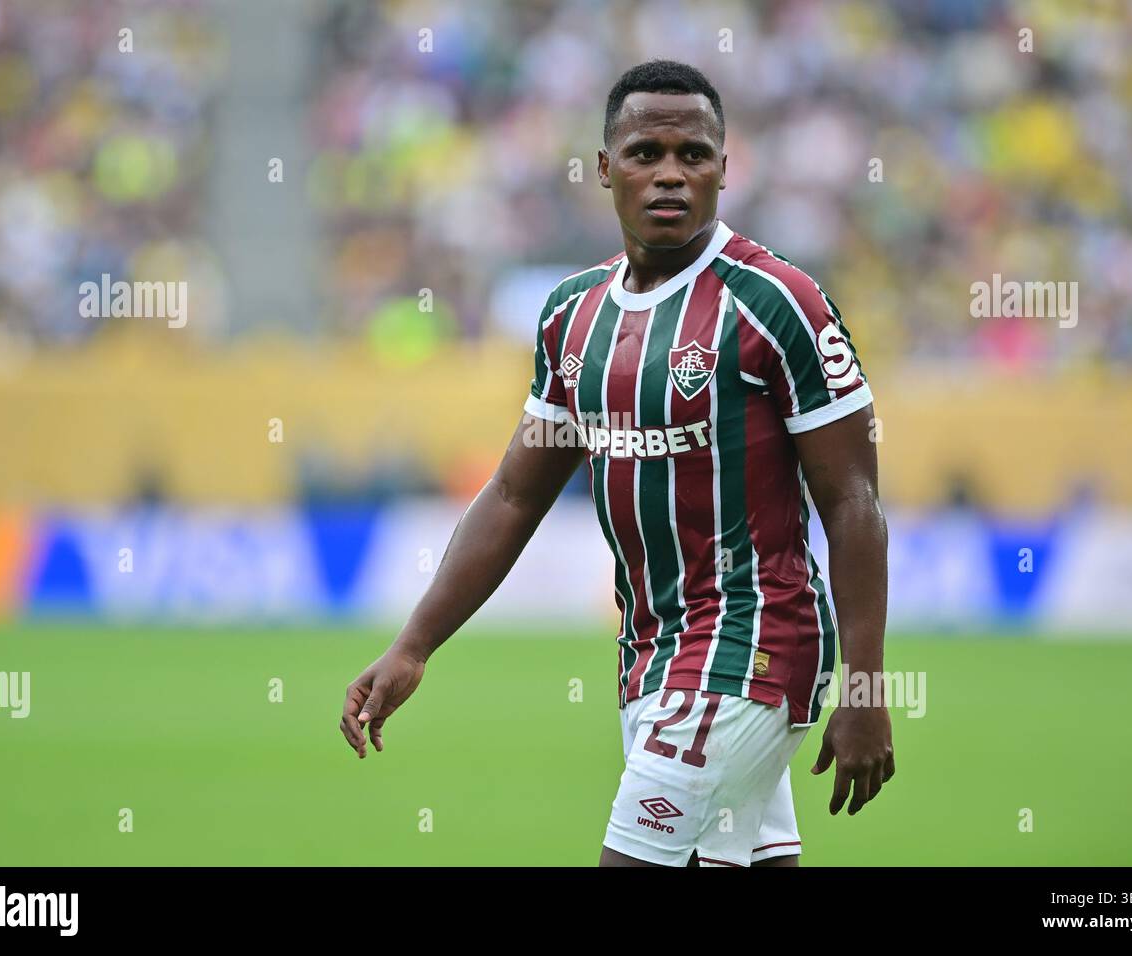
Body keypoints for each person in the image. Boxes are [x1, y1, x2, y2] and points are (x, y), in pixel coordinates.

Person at [340, 59, 894, 867]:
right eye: (645, 152)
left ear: (724, 169)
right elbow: (512, 497)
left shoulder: (778, 304)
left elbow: (853, 501)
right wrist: (414, 644)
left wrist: (866, 687)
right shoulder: (574, 316)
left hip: (754, 643)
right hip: (651, 656)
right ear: (606, 167)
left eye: (693, 154)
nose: (670, 173)